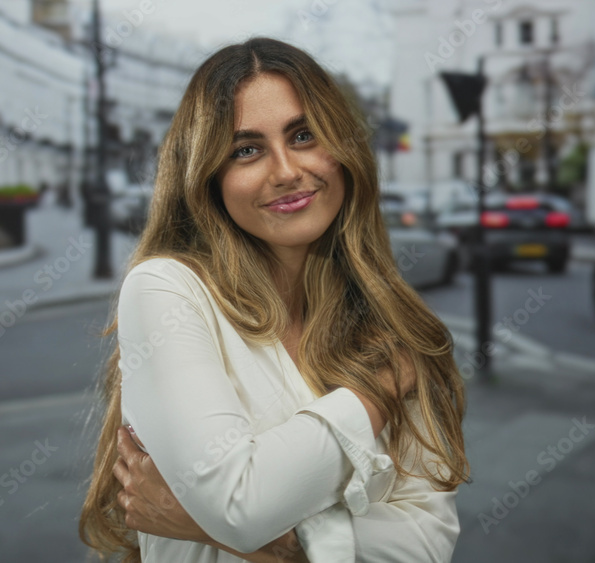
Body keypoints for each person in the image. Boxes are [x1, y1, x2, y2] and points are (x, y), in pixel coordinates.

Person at [80, 37, 468, 562]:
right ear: (208, 179)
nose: (286, 171)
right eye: (247, 150)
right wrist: (374, 396)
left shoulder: (390, 325)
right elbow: (240, 508)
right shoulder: (166, 289)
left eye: (304, 135)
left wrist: (271, 544)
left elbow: (425, 547)